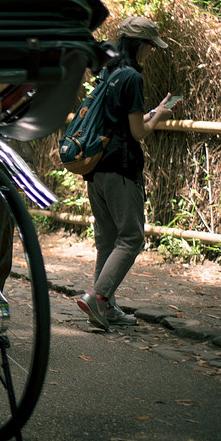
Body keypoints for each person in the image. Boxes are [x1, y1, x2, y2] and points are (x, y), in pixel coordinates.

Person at [77, 16, 177, 330]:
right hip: (122, 169)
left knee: (107, 240)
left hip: (96, 169)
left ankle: (105, 309)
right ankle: (99, 297)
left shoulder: (108, 73)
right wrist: (159, 115)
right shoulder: (133, 77)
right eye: (151, 46)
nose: (152, 52)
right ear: (140, 45)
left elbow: (117, 120)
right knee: (131, 237)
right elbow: (137, 132)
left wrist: (151, 112)